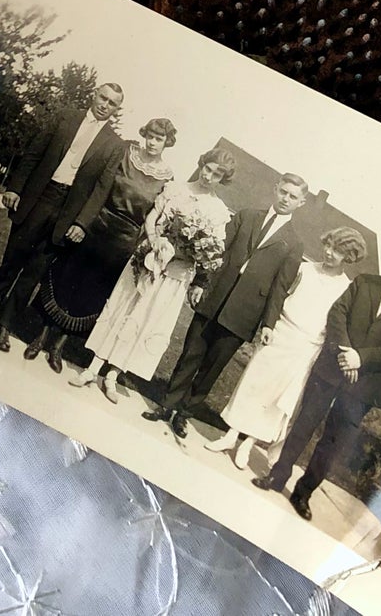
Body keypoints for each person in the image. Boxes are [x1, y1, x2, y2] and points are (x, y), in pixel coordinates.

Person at [253, 232, 381, 521]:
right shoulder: (365, 282)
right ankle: (277, 475)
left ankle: (303, 493)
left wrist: (361, 358)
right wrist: (346, 351)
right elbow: (338, 314)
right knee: (303, 424)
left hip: (365, 385)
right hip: (331, 367)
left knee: (333, 442)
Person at [0, 82, 124, 351]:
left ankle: (4, 326)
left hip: (68, 212)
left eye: (112, 103)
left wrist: (82, 223)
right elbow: (33, 154)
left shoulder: (115, 144)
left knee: (33, 273)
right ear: (94, 94)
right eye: (102, 98)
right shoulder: (65, 116)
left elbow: (102, 189)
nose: (105, 105)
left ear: (117, 108)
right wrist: (14, 188)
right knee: (11, 262)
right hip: (40, 198)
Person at [142, 173, 309, 439]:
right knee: (190, 356)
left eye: (292, 196)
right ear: (275, 189)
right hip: (214, 297)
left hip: (245, 314)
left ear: (301, 202)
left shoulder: (294, 243)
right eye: (283, 192)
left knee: (212, 368)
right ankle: (167, 405)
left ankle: (184, 415)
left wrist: (268, 323)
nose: (286, 199)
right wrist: (200, 283)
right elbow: (215, 252)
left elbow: (280, 288)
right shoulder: (247, 216)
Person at [72, 147, 235, 402]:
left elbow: (211, 250)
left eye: (216, 174)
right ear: (202, 164)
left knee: (145, 318)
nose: (208, 175)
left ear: (222, 179)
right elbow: (152, 218)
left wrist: (189, 254)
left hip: (175, 274)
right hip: (149, 259)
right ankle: (92, 368)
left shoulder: (218, 210)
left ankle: (113, 375)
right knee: (124, 307)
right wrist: (156, 239)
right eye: (207, 168)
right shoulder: (176, 189)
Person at [205, 226, 368, 469]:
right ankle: (230, 436)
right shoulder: (305, 269)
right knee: (253, 384)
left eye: (338, 251)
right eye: (329, 245)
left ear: (350, 257)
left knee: (276, 399)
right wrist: (269, 325)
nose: (329, 253)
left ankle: (248, 444)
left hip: (306, 346)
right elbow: (280, 296)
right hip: (281, 333)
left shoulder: (346, 288)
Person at [23, 118, 178, 372]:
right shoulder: (127, 154)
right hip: (97, 222)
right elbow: (102, 186)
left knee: (92, 292)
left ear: (167, 142)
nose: (152, 142)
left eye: (159, 138)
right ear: (144, 135)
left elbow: (157, 215)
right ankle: (40, 337)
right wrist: (83, 221)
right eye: (150, 135)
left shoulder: (167, 177)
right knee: (66, 276)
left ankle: (59, 346)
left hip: (124, 239)